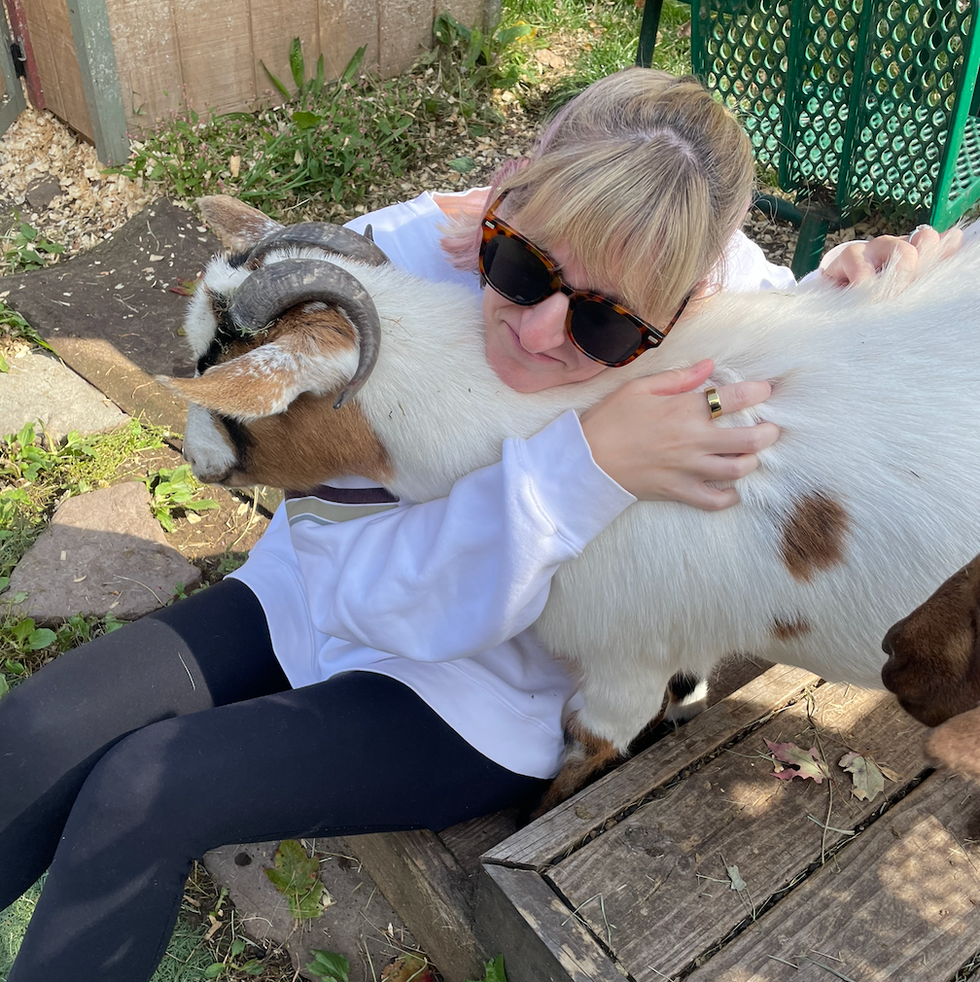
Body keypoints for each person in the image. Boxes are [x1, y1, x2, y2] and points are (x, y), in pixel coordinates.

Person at [0, 68, 959, 981]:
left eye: (608, 327)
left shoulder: (718, 311)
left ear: (694, 298)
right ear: (502, 187)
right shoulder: (381, 266)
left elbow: (804, 328)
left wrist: (864, 272)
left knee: (146, 792)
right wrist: (583, 463)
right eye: (520, 266)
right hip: (338, 594)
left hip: (484, 694)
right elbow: (349, 584)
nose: (542, 330)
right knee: (38, 733)